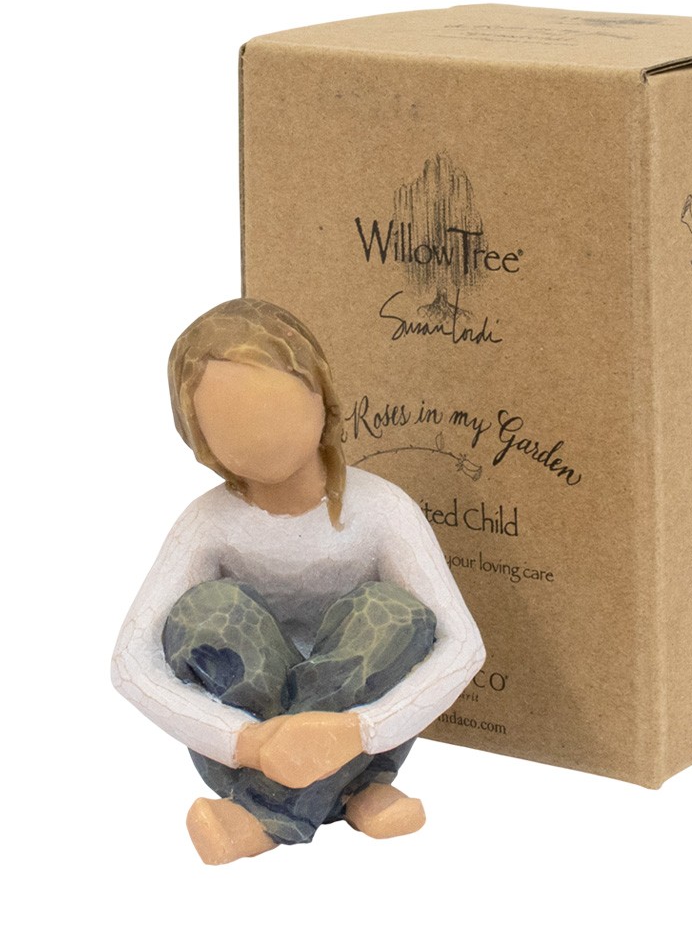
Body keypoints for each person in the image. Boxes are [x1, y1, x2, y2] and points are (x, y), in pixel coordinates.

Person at [111, 298, 485, 864]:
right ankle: (350, 795)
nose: (264, 436)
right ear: (199, 437)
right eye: (233, 424)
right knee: (208, 611)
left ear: (322, 398)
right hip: (249, 744)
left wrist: (358, 731)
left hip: (359, 738)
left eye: (279, 409)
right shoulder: (208, 524)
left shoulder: (383, 510)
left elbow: (463, 645)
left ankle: (266, 813)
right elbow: (130, 661)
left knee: (392, 614)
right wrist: (249, 741)